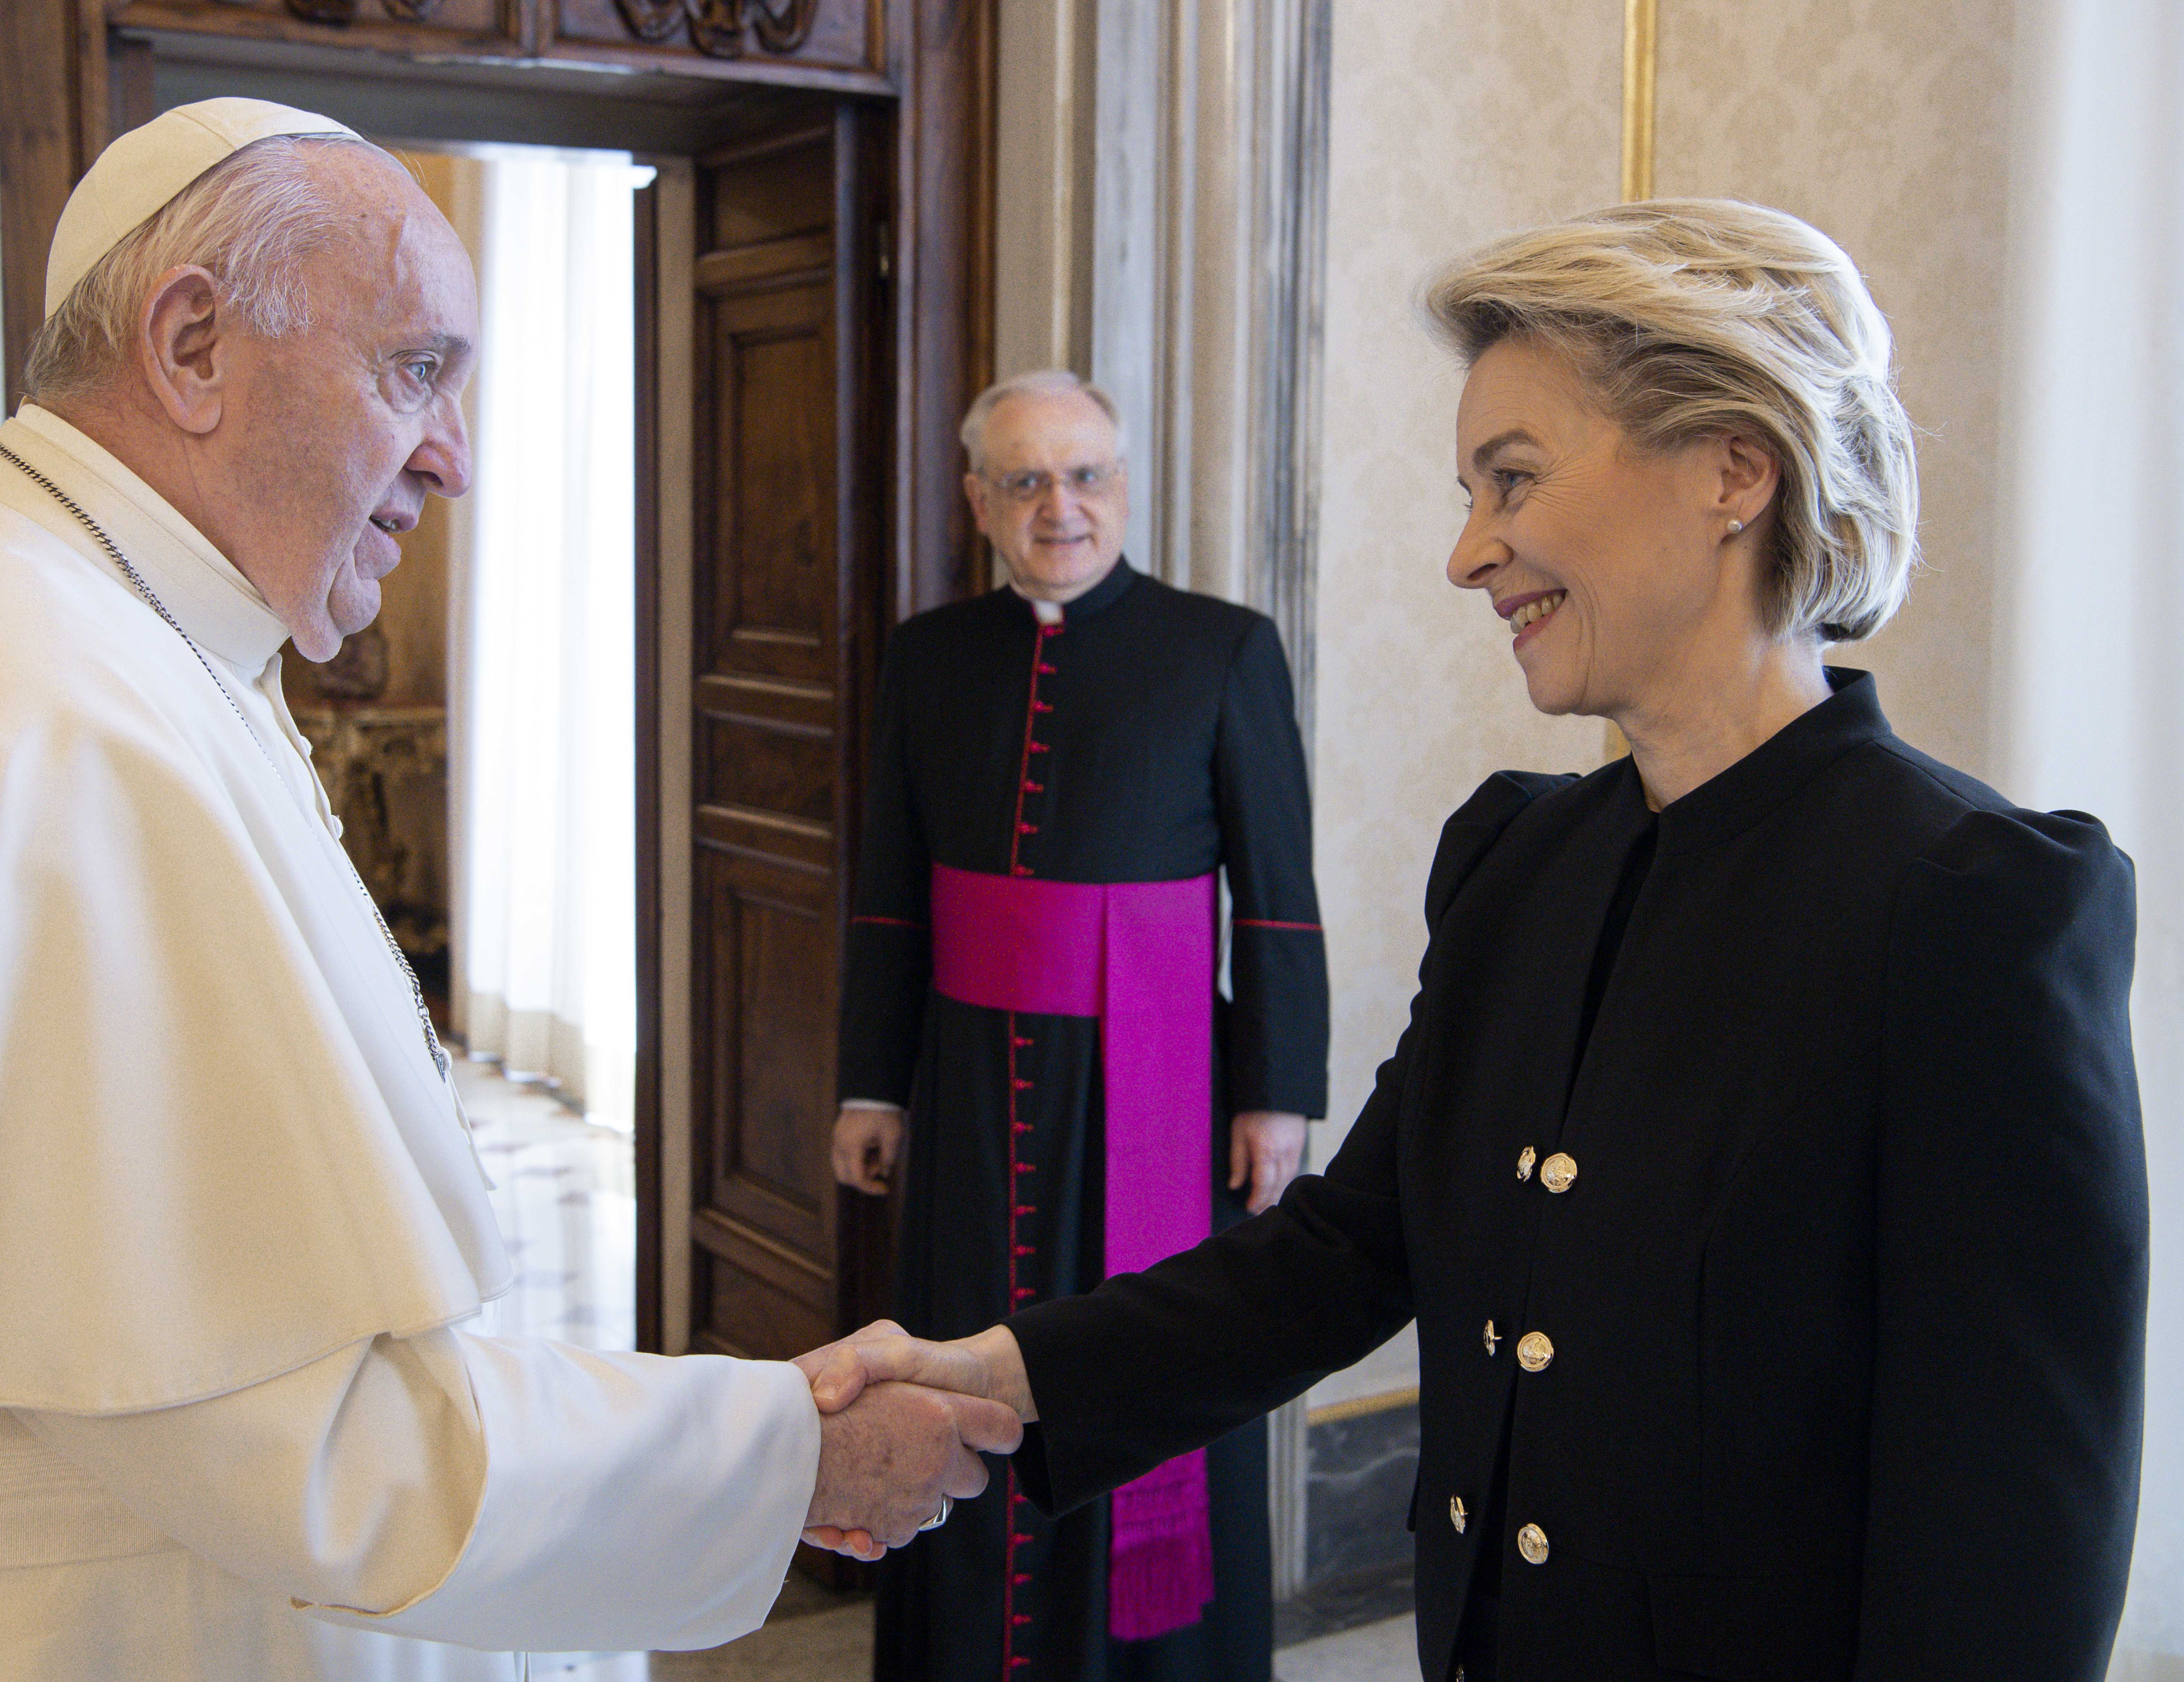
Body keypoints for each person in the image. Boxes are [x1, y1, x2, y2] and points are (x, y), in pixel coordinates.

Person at [0, 99, 1017, 1681]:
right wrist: (783, 1452)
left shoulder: (55, 607)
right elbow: (290, 1442)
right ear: (191, 346)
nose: (456, 457)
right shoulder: (56, 713)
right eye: (414, 370)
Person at [804, 200, 2151, 1681]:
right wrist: (989, 1374)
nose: (1467, 553)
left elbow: (2006, 1558)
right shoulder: (1522, 863)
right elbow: (1340, 1252)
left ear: (1733, 469)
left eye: (1512, 478)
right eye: (1469, 490)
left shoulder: (1968, 904)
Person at [831, 368, 1328, 1680]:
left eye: (1088, 475)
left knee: (1148, 1361)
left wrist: (1277, 1093)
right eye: (1027, 480)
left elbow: (1278, 895)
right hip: (969, 1093)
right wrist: (871, 1084)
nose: (1062, 506)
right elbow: (891, 891)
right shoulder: (930, 655)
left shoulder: (1223, 648)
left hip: (1156, 1090)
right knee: (954, 1362)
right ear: (978, 499)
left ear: (1125, 484)